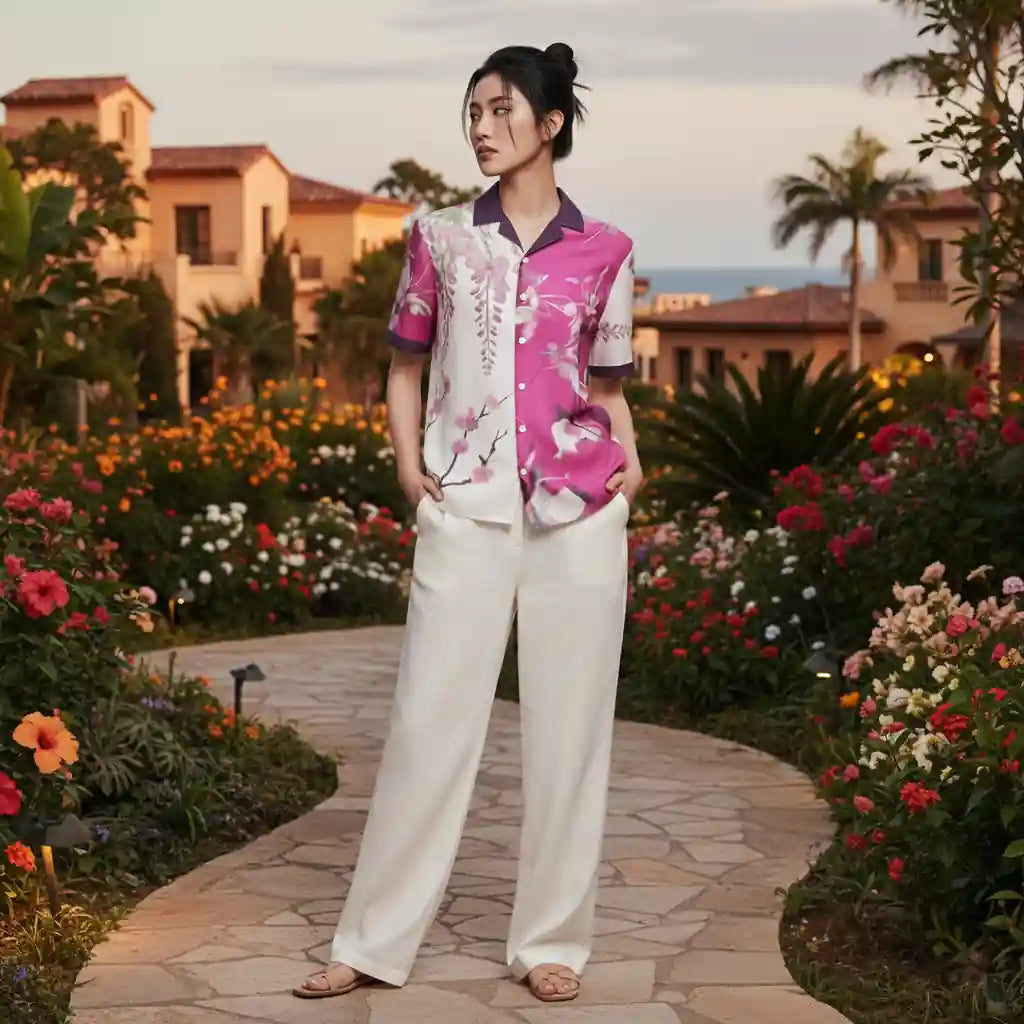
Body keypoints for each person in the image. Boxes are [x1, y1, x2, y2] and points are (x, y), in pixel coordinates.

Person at [293, 41, 642, 1005]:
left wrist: (631, 472)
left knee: (571, 732)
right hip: (466, 501)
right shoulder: (439, 236)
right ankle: (370, 941)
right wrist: (412, 472)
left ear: (551, 123)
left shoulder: (606, 249)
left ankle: (552, 942)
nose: (482, 129)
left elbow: (607, 387)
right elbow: (405, 367)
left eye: (499, 112)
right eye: (473, 114)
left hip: (578, 510)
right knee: (426, 723)